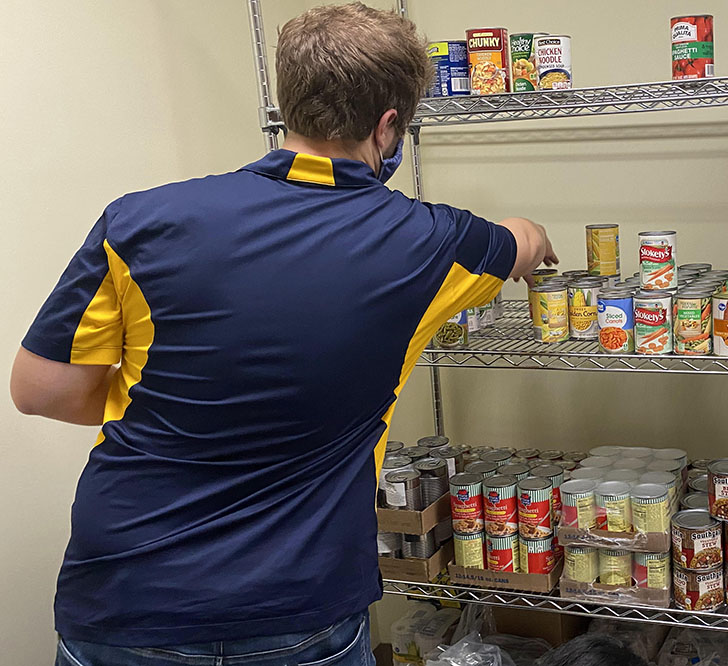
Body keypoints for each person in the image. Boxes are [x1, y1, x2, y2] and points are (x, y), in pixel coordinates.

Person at [10, 4, 556, 665]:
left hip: (125, 595)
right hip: (299, 608)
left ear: (289, 103)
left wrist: (182, 403)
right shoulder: (435, 244)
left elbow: (38, 390)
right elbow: (522, 243)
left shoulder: (141, 222)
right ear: (389, 126)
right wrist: (535, 237)